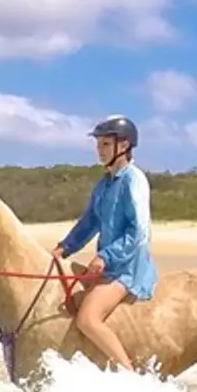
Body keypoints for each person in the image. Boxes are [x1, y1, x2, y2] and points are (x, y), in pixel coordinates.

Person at [50, 114, 157, 371]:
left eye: (105, 145)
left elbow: (139, 231)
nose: (99, 151)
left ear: (124, 146)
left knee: (87, 319)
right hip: (109, 263)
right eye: (98, 145)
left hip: (129, 266)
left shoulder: (134, 179)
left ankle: (128, 371)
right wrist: (64, 247)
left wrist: (106, 257)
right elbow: (89, 222)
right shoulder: (104, 183)